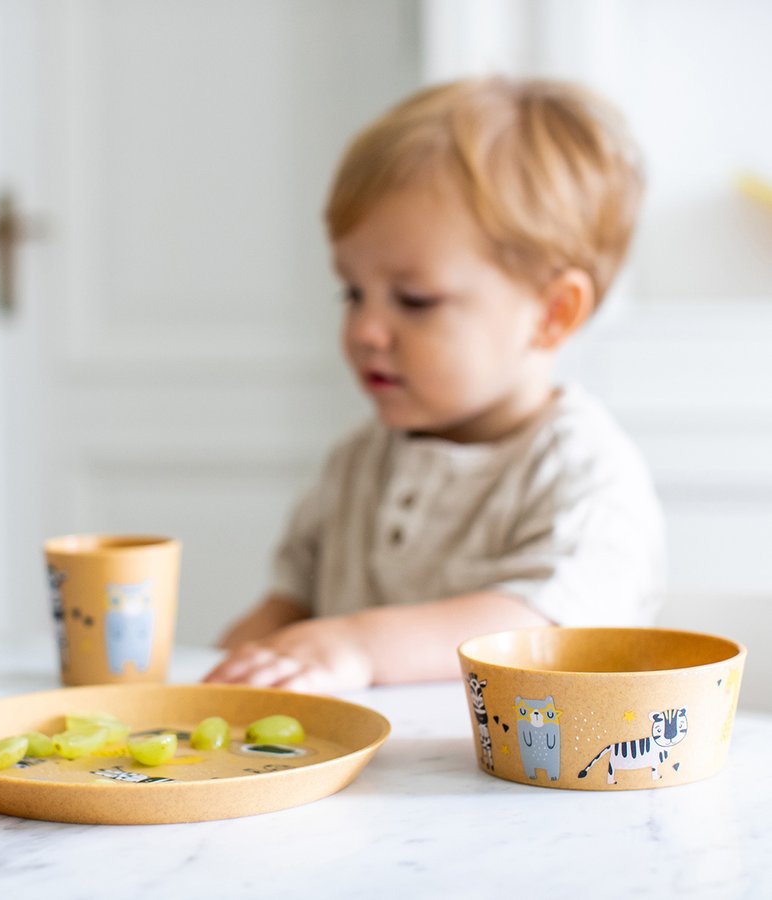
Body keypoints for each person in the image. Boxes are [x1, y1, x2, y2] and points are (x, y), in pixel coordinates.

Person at [205, 76, 665, 693]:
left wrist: (359, 644)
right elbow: (290, 604)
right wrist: (226, 667)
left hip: (518, 788)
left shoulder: (584, 475)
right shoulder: (358, 461)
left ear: (552, 313)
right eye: (352, 291)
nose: (366, 329)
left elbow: (543, 625)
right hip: (361, 783)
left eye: (415, 301)